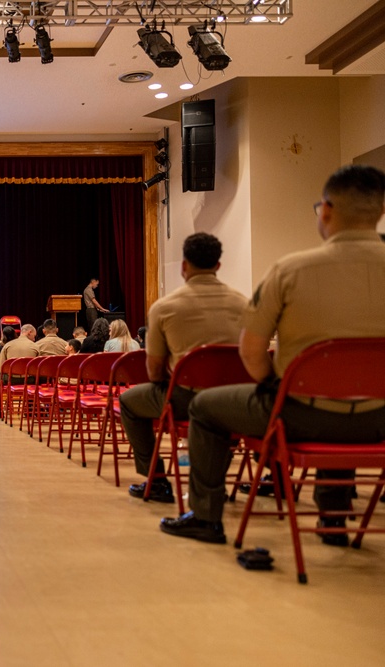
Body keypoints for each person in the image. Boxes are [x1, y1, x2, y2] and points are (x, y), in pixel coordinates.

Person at [160, 165, 385, 546]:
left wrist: (274, 387)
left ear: (326, 210)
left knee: (205, 408)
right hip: (381, 420)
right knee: (355, 388)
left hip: (300, 416)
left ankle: (205, 516)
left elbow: (252, 351)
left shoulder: (289, 270)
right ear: (378, 211)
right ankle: (333, 518)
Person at [118, 232, 248, 504]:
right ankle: (215, 481)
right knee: (225, 415)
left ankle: (156, 480)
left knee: (128, 401)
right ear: (218, 266)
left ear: (184, 266)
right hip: (233, 398)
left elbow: (154, 371)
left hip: (185, 397)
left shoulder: (165, 307)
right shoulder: (244, 304)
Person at [0, 323, 38, 415]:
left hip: (10, 379)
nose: (34, 339)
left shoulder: (7, 345)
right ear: (29, 333)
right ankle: (31, 407)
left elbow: (0, 367)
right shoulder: (35, 346)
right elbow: (39, 367)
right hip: (30, 380)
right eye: (34, 336)